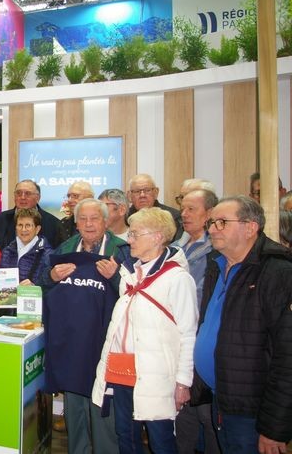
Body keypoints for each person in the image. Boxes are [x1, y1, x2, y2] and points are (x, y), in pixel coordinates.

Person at [92, 207, 198, 454]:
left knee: (161, 440)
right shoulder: (130, 274)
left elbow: (188, 333)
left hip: (155, 375)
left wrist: (183, 382)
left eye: (135, 234)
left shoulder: (178, 279)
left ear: (157, 237)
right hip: (122, 368)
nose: (129, 240)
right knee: (126, 436)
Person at [192, 196, 292, 452]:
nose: (213, 229)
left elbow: (287, 357)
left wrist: (274, 427)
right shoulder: (217, 265)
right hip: (221, 398)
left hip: (253, 412)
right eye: (212, 222)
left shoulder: (278, 273)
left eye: (222, 222)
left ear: (250, 227)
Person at [39, 199, 126, 454]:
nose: (88, 224)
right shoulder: (65, 248)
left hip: (106, 341)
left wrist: (115, 277)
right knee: (74, 405)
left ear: (105, 221)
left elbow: (134, 292)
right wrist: (51, 276)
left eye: (94, 218)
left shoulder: (121, 250)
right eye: (83, 219)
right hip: (72, 340)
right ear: (75, 223)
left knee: (103, 407)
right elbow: (42, 282)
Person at [171, 189, 219, 454]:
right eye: (183, 209)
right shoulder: (176, 246)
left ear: (209, 213)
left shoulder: (216, 251)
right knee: (183, 417)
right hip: (176, 339)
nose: (184, 214)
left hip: (202, 340)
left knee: (206, 416)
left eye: (191, 209)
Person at [0, 208, 53, 317]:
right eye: (20, 225)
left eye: (28, 225)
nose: (23, 229)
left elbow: (51, 288)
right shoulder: (7, 251)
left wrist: (35, 288)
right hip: (6, 315)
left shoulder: (47, 255)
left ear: (37, 229)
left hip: (32, 316)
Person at [0, 179, 61, 250]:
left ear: (38, 198)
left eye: (28, 193)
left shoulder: (54, 224)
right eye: (18, 193)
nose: (22, 197)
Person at [127, 174, 183, 241]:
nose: (142, 195)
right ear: (129, 195)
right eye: (137, 191)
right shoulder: (123, 218)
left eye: (147, 190)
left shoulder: (173, 217)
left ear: (156, 192)